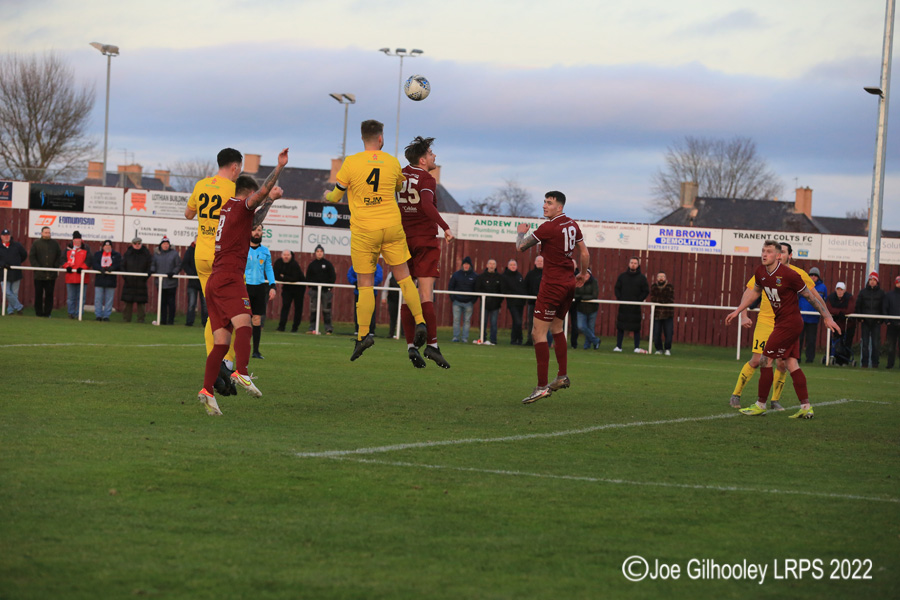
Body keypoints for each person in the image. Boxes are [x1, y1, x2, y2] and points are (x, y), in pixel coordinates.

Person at [323, 119, 427, 361]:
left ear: (363, 139)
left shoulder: (351, 162)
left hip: (364, 231)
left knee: (366, 283)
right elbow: (401, 188)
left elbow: (336, 196)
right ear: (381, 139)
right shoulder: (392, 162)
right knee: (404, 278)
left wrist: (327, 194)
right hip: (391, 226)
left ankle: (363, 335)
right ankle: (420, 321)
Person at [199, 148, 287, 416]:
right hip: (228, 278)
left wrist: (269, 202)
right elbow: (258, 197)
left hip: (215, 279)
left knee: (222, 342)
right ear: (247, 194)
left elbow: (253, 221)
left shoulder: (228, 209)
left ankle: (206, 390)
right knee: (246, 323)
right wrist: (279, 167)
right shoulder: (241, 204)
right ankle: (242, 371)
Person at [726, 240, 840, 419]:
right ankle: (806, 407)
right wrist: (739, 311)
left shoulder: (791, 275)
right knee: (790, 363)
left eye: (769, 251)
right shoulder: (760, 272)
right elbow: (754, 292)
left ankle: (760, 404)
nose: (764, 254)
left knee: (765, 360)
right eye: (763, 251)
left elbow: (811, 297)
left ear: (779, 256)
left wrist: (827, 317)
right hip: (779, 323)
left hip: (788, 324)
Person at [515, 191, 590, 404]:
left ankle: (540, 387)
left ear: (559, 207)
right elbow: (584, 253)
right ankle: (562, 375)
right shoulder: (572, 225)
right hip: (568, 284)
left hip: (552, 285)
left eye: (549, 203)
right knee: (557, 328)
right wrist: (583, 274)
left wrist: (520, 233)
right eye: (544, 202)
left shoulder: (548, 227)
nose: (544, 206)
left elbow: (520, 247)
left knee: (538, 333)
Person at [397, 135, 454, 368]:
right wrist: (446, 227)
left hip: (401, 240)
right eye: (431, 153)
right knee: (425, 294)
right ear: (422, 160)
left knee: (406, 294)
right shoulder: (426, 178)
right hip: (424, 240)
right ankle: (432, 345)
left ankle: (411, 346)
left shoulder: (398, 174)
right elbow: (426, 205)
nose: (434, 156)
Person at [185, 148, 243, 375]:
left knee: (214, 311)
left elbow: (188, 214)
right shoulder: (234, 189)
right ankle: (226, 360)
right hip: (224, 257)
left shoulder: (201, 185)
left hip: (201, 255)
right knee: (236, 310)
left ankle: (214, 358)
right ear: (235, 167)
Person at [245, 224, 276, 359]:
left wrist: (272, 286)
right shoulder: (242, 249)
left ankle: (256, 351)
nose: (257, 233)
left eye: (259, 230)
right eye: (254, 230)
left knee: (256, 319)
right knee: (243, 320)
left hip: (259, 288)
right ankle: (241, 349)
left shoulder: (265, 251)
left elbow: (268, 269)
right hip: (244, 287)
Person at [613, 257, 649, 353]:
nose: (633, 264)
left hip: (635, 306)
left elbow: (646, 291)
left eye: (635, 263)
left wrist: (638, 300)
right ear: (629, 264)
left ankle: (636, 347)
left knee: (636, 327)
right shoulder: (622, 277)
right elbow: (617, 288)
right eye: (631, 262)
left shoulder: (642, 278)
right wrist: (620, 299)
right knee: (620, 326)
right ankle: (618, 346)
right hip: (624, 306)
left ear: (638, 265)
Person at [28, 226, 62, 317]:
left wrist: (55, 266)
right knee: (38, 294)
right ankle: (38, 313)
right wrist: (37, 267)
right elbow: (32, 256)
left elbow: (59, 256)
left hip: (51, 275)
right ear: (42, 233)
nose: (47, 234)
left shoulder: (55, 244)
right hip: (39, 275)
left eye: (49, 232)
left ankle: (47, 313)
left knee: (49, 294)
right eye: (46, 232)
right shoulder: (36, 243)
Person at [798, 266, 827, 363]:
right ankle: (797, 357)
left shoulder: (822, 287)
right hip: (801, 317)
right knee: (799, 339)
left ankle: (810, 359)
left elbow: (824, 300)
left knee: (811, 340)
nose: (813, 277)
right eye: (811, 275)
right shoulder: (803, 285)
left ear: (818, 277)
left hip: (813, 319)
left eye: (815, 275)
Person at [856, 271, 885, 368]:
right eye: (870, 280)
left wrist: (880, 320)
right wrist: (860, 318)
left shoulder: (881, 293)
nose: (872, 282)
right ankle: (864, 363)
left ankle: (875, 363)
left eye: (874, 280)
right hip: (865, 321)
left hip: (876, 322)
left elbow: (883, 307)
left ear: (877, 281)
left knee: (876, 344)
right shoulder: (863, 292)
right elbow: (858, 305)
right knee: (865, 344)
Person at [151, 236, 182, 325]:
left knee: (171, 303)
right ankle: (163, 320)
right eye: (164, 244)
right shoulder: (156, 254)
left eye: (167, 244)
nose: (166, 245)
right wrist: (152, 270)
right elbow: (153, 264)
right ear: (161, 245)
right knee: (162, 303)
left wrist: (173, 272)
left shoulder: (174, 254)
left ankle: (171, 320)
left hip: (171, 283)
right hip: (160, 283)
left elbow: (179, 265)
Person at [305, 245, 336, 334]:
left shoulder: (328, 264)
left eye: (321, 252)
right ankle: (312, 328)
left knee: (326, 310)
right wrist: (311, 286)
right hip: (314, 291)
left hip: (325, 291)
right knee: (313, 310)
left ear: (323, 253)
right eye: (317, 252)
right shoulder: (312, 264)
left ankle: (328, 329)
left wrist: (329, 287)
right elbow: (308, 276)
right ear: (315, 253)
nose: (319, 253)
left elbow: (332, 276)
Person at [121, 237, 152, 323]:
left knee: (141, 302)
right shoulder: (128, 253)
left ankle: (141, 319)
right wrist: (125, 276)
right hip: (129, 281)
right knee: (128, 301)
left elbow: (150, 266)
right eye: (135, 244)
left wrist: (145, 276)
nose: (137, 245)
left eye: (139, 244)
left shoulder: (146, 253)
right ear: (132, 244)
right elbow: (122, 265)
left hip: (141, 281)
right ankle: (126, 319)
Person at [62, 231, 91, 319]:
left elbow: (89, 260)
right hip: (70, 277)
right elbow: (62, 260)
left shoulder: (86, 248)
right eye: (76, 240)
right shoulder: (68, 249)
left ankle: (79, 313)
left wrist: (82, 268)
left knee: (81, 298)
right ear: (73, 240)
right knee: (71, 298)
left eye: (79, 240)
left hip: (82, 278)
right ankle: (71, 313)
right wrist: (67, 266)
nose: (77, 242)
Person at [274, 250, 305, 333]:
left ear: (291, 256)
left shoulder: (294, 264)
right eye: (284, 255)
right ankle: (281, 327)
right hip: (287, 288)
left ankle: (295, 328)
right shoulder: (278, 263)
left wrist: (283, 277)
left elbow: (295, 278)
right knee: (285, 306)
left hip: (299, 288)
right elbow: (275, 275)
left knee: (298, 308)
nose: (286, 256)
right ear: (281, 255)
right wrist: (286, 278)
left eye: (288, 255)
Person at [448, 256, 477, 343]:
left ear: (470, 265)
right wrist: (453, 298)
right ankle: (455, 337)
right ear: (462, 265)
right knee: (456, 320)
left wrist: (473, 300)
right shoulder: (456, 275)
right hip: (457, 301)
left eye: (468, 264)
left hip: (468, 302)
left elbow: (477, 288)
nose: (466, 266)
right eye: (465, 264)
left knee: (467, 321)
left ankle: (465, 338)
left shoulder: (474, 276)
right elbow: (451, 286)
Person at [348, 263, 382, 337]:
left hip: (371, 293)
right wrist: (355, 282)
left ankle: (371, 330)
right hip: (359, 293)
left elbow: (379, 277)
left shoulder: (375, 265)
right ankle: (358, 329)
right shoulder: (357, 264)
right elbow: (350, 275)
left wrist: (368, 284)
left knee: (370, 311)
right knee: (358, 310)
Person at [826, 282, 855, 365]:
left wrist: (839, 312)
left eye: (841, 290)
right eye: (838, 289)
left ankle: (845, 361)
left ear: (844, 290)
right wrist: (840, 312)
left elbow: (851, 309)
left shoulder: (849, 298)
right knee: (835, 342)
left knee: (846, 343)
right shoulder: (831, 297)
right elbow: (828, 308)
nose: (839, 291)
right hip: (836, 324)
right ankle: (834, 359)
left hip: (847, 325)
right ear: (835, 290)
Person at [474, 259, 502, 345]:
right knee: (483, 322)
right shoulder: (481, 277)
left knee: (493, 323)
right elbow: (477, 289)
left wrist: (498, 301)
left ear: (496, 266)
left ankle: (493, 340)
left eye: (493, 264)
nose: (492, 265)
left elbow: (501, 290)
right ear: (487, 265)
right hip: (484, 304)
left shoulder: (499, 277)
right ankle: (482, 338)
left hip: (495, 305)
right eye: (490, 263)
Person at [92, 240, 121, 321]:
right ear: (103, 247)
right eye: (106, 246)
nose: (107, 247)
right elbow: (94, 264)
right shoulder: (98, 254)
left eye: (109, 246)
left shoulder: (116, 255)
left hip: (111, 280)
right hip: (99, 279)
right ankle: (98, 315)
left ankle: (106, 316)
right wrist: (100, 269)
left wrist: (112, 268)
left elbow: (118, 264)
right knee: (98, 298)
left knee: (109, 299)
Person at [0, 228, 27, 315]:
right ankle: (19, 307)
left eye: (8, 235)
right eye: (4, 235)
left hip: (15, 273)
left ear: (10, 236)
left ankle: (10, 311)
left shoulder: (17, 245)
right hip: (3, 273)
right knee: (6, 292)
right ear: (1, 237)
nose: (6, 237)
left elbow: (24, 255)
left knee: (14, 293)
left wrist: (16, 263)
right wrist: (3, 264)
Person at [501, 259, 527, 345]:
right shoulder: (505, 276)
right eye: (511, 265)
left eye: (514, 265)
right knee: (518, 321)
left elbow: (523, 288)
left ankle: (515, 340)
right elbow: (504, 290)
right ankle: (518, 338)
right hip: (512, 303)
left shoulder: (519, 275)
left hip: (520, 303)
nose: (513, 266)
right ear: (508, 266)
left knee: (517, 322)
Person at [181, 239, 207, 327]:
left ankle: (206, 323)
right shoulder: (189, 251)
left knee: (205, 305)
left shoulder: (205, 250)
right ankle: (189, 322)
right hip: (193, 281)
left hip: (204, 282)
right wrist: (192, 273)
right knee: (191, 303)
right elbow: (185, 264)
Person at [574, 269, 601, 349]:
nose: (586, 275)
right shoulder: (578, 282)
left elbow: (594, 295)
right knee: (581, 326)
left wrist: (582, 297)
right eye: (584, 273)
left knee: (590, 327)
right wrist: (578, 297)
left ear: (590, 275)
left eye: (587, 273)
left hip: (592, 308)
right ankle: (596, 340)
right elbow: (574, 293)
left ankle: (587, 346)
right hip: (581, 308)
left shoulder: (594, 282)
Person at [649, 271, 674, 355]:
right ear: (656, 278)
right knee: (656, 333)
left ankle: (667, 349)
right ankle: (658, 349)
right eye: (659, 276)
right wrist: (662, 300)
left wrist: (660, 300)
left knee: (669, 333)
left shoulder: (670, 287)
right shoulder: (654, 287)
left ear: (665, 278)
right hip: (657, 314)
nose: (661, 278)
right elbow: (653, 298)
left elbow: (669, 299)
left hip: (668, 314)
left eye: (662, 276)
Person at [524, 255, 546, 346]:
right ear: (535, 262)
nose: (540, 262)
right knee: (531, 322)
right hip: (532, 303)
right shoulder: (530, 274)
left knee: (543, 323)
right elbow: (526, 287)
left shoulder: (547, 274)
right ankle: (530, 340)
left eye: (541, 261)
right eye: (538, 261)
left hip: (544, 304)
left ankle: (541, 340)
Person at [380, 270, 403, 339]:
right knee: (393, 317)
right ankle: (391, 333)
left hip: (404, 300)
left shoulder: (407, 274)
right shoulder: (391, 274)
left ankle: (403, 334)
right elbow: (386, 286)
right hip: (392, 299)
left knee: (404, 317)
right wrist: (383, 297)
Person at [884, 275, 900, 369]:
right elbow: (885, 308)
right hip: (892, 325)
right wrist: (887, 321)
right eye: (898, 282)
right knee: (891, 346)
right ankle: (890, 365)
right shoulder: (889, 295)